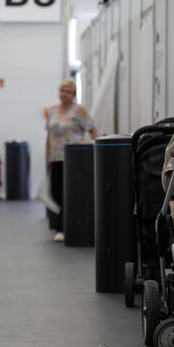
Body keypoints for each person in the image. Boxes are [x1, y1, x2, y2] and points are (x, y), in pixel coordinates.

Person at [45, 79, 97, 242]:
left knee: (68, 193)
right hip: (56, 156)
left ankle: (62, 228)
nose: (64, 94)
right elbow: (49, 135)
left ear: (73, 95)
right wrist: (47, 155)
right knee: (55, 192)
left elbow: (93, 130)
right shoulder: (52, 111)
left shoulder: (79, 111)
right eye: (62, 91)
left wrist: (92, 150)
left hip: (75, 158)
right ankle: (66, 223)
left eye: (68, 92)